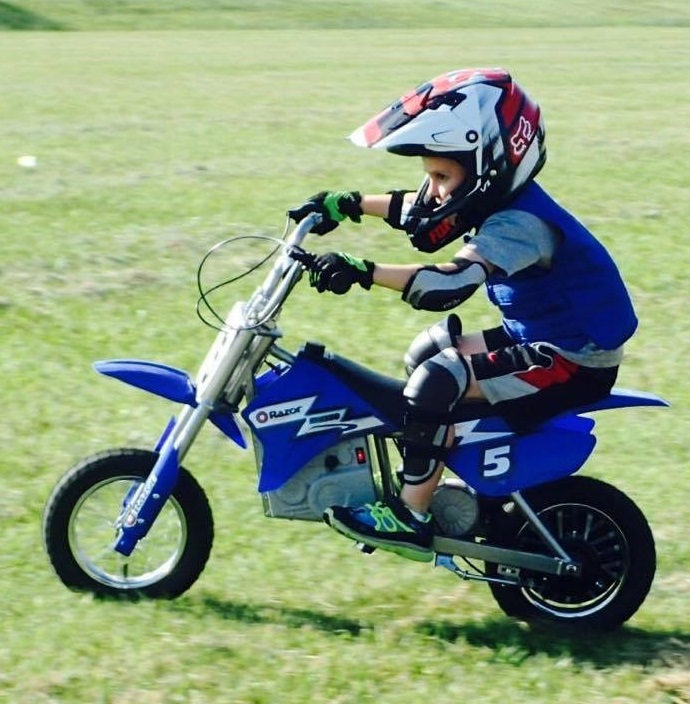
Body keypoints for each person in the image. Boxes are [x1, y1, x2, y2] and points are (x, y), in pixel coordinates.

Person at [288, 68, 637, 563]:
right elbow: (418, 209)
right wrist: (347, 204)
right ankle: (450, 480)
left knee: (439, 377)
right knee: (427, 352)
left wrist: (362, 270)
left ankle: (411, 516)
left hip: (573, 358)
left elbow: (446, 284)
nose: (433, 191)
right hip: (544, 335)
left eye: (441, 177)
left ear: (488, 167)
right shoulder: (497, 199)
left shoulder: (520, 224)